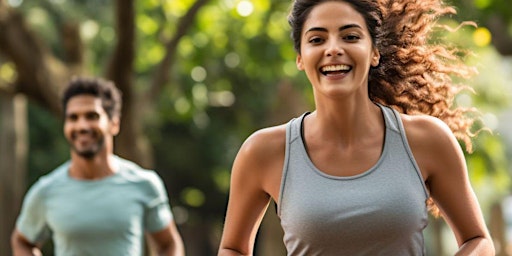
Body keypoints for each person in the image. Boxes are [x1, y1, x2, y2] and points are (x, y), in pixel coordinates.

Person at [218, 0, 495, 255]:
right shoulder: (263, 152)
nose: (333, 48)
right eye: (317, 39)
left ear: (374, 52)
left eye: (350, 36)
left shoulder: (426, 140)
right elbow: (233, 248)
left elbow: (478, 241)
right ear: (300, 58)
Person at [11, 77, 185, 256]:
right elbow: (22, 241)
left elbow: (169, 244)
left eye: (92, 116)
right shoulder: (46, 191)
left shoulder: (144, 184)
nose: (82, 126)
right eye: (73, 118)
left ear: (114, 124)